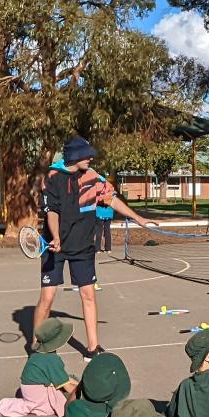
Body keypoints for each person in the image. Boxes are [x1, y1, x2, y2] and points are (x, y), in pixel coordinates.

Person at [32, 137, 155, 357]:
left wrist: (138, 219)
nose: (90, 157)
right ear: (73, 156)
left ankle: (92, 348)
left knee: (88, 295)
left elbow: (112, 199)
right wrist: (56, 237)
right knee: (47, 298)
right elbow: (52, 211)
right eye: (86, 154)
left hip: (83, 246)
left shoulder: (93, 177)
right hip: (54, 246)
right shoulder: (52, 177)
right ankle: (36, 345)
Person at [0, 319, 80, 417]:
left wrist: (77, 384)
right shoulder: (52, 359)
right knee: (62, 405)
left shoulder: (40, 354)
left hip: (29, 388)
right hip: (35, 393)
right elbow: (68, 387)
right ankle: (20, 405)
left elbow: (62, 376)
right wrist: (84, 392)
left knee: (68, 380)